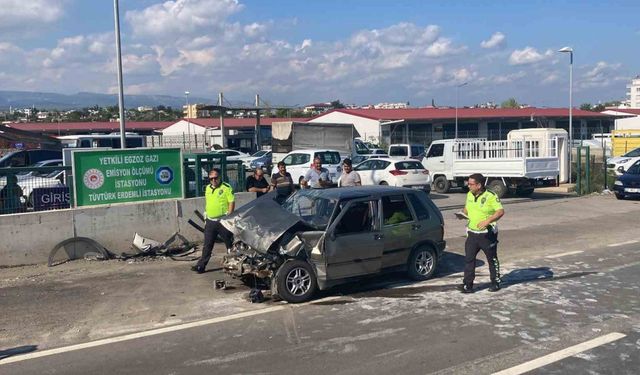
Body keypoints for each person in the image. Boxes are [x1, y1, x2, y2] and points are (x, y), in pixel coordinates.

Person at [457, 173, 505, 293]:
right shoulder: (469, 194)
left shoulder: (491, 196)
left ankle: (495, 282)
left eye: (471, 184)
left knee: (491, 259)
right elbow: (467, 208)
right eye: (468, 183)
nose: (468, 186)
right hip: (472, 233)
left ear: (479, 185)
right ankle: (468, 285)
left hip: (487, 234)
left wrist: (487, 221)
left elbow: (500, 211)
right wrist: (462, 213)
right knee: (469, 259)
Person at [191, 168, 235, 274]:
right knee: (207, 244)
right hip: (211, 221)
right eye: (211, 179)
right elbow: (208, 202)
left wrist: (229, 215)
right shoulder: (208, 188)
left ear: (219, 177)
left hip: (222, 221)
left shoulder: (226, 187)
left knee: (229, 244)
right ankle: (201, 266)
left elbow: (231, 202)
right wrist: (206, 216)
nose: (214, 180)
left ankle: (233, 264)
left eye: (216, 178)